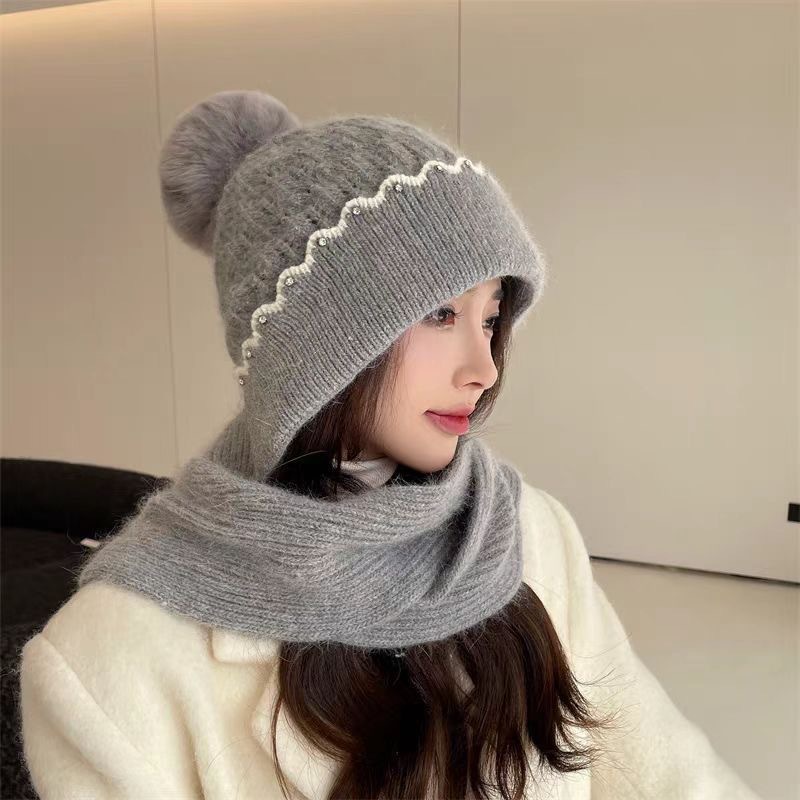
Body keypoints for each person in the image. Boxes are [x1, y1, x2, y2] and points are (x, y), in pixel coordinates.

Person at [17, 90, 761, 800]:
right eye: (440, 314)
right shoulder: (111, 660)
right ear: (318, 345)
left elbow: (668, 774)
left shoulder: (529, 532)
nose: (484, 368)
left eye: (490, 317)